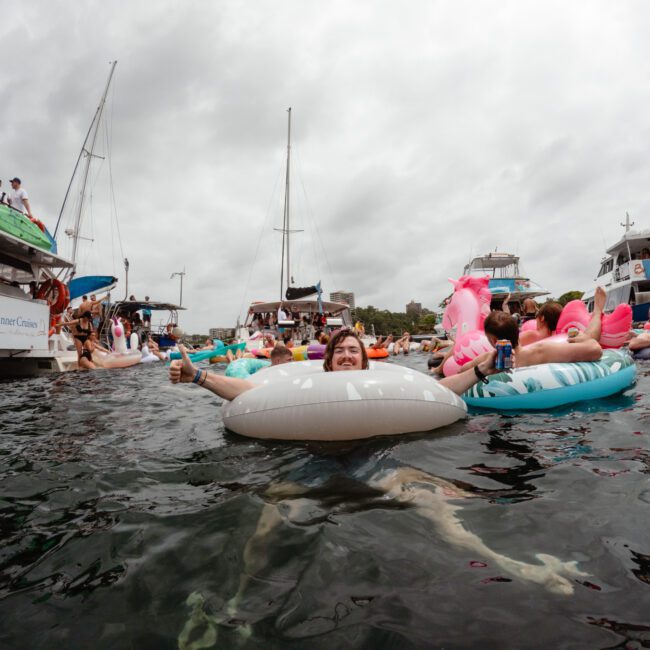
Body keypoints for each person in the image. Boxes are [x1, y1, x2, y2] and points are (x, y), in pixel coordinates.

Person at [170, 328, 501, 400]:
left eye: (353, 351)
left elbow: (437, 391)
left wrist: (482, 370)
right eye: (340, 351)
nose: (346, 355)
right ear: (328, 363)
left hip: (373, 459)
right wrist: (197, 375)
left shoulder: (383, 383)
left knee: (434, 502)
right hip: (310, 462)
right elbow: (250, 392)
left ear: (363, 360)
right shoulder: (306, 383)